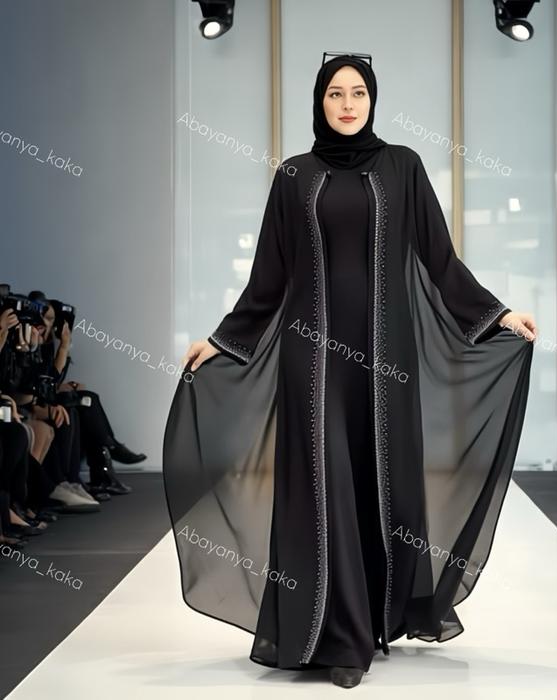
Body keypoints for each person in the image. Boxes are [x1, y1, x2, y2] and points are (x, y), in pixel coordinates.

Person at [163, 53, 535, 689]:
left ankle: (376, 616)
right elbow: (269, 276)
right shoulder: (294, 175)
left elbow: (440, 259)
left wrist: (496, 314)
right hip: (313, 362)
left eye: (357, 93)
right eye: (334, 93)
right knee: (324, 486)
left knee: (378, 482)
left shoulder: (402, 167)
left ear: (372, 100)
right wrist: (222, 341)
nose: (346, 104)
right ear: (319, 101)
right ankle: (337, 637)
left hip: (386, 363)